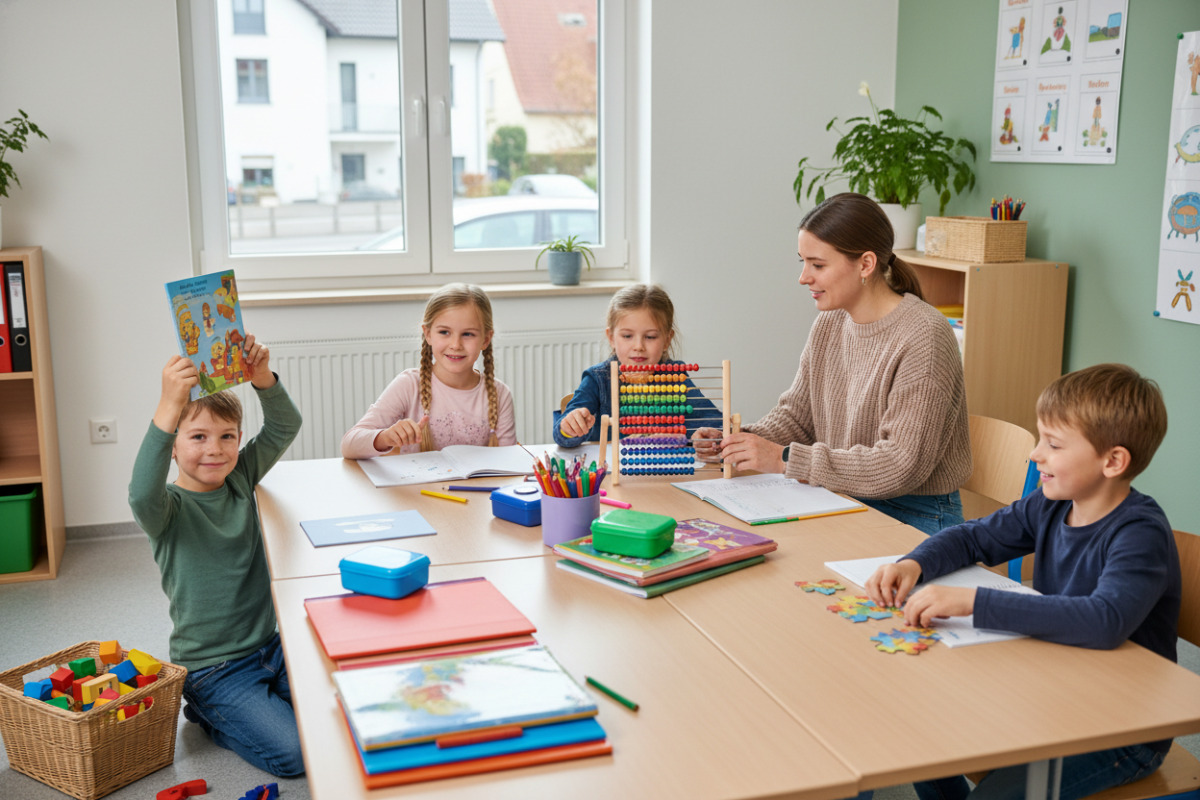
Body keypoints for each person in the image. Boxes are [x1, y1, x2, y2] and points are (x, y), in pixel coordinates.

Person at [866, 363, 1179, 800]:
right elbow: (973, 537)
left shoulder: (1139, 532)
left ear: (1113, 461)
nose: (1035, 455)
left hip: (1121, 730)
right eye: (1038, 438)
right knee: (914, 722)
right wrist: (913, 564)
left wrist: (973, 602)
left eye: (1052, 444)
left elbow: (1105, 619)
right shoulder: (1051, 504)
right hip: (1052, 693)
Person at [695, 193, 971, 535]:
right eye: (803, 263)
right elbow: (798, 417)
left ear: (866, 265)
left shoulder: (924, 336)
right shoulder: (831, 323)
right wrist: (740, 441)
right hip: (840, 497)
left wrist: (781, 459)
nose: (804, 278)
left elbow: (900, 466)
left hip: (914, 514)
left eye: (818, 265)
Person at [129, 336, 305, 777]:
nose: (215, 449)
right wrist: (169, 404)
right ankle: (209, 716)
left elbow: (284, 426)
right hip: (216, 668)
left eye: (227, 436)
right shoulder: (166, 510)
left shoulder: (240, 475)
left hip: (272, 644)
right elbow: (139, 491)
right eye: (198, 437)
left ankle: (249, 707)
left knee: (334, 720)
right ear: (173, 444)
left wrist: (261, 378)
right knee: (296, 755)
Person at [341, 283, 516, 456]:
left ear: (486, 339)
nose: (455, 345)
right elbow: (349, 444)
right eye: (444, 332)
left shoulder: (499, 394)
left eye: (468, 334)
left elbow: (509, 462)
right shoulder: (409, 385)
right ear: (428, 334)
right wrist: (385, 437)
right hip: (415, 486)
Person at [553, 283, 719, 447]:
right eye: (627, 336)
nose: (638, 346)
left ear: (667, 339)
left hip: (665, 471)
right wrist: (570, 426)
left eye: (651, 337)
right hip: (612, 471)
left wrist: (691, 433)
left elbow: (714, 422)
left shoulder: (676, 378)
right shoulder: (598, 379)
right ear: (611, 338)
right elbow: (562, 437)